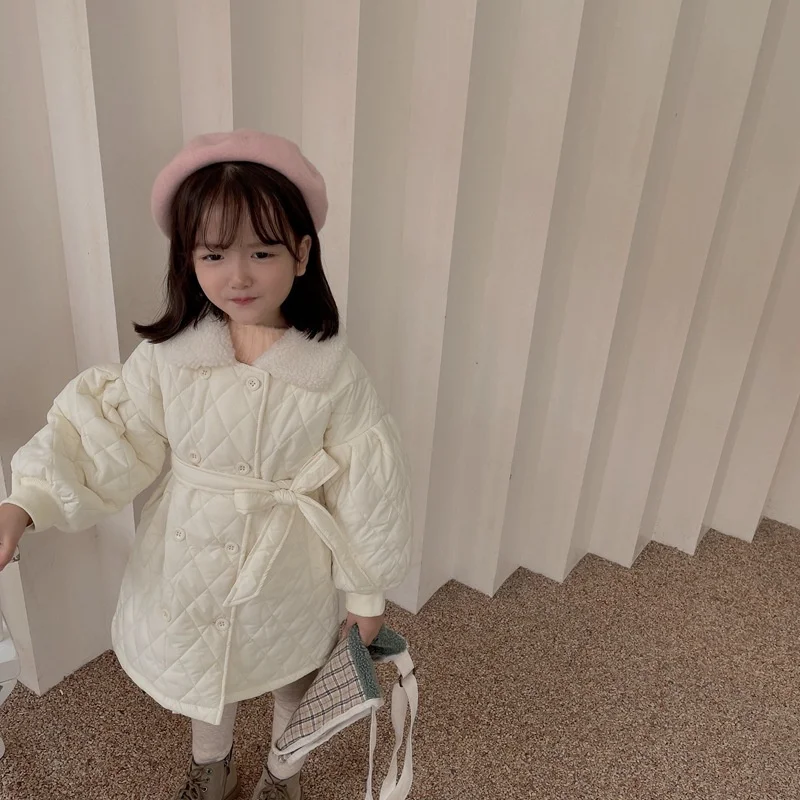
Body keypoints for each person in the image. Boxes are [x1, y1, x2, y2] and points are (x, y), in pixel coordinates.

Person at [0, 130, 412, 800]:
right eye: (214, 254)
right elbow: (108, 432)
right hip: (189, 561)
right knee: (206, 673)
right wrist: (27, 500)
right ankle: (211, 766)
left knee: (294, 672)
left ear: (302, 253)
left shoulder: (333, 372)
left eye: (262, 252)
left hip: (290, 566)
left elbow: (366, 485)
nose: (238, 275)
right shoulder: (170, 359)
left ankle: (283, 773)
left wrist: (366, 596)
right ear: (188, 259)